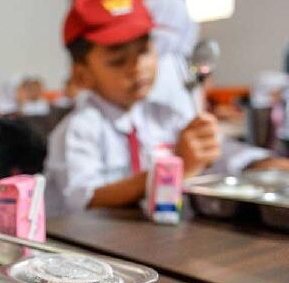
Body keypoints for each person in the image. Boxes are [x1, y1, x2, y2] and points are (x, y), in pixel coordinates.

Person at [44, 0, 286, 217]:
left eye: (145, 51)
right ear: (82, 75)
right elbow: (82, 200)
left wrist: (260, 162)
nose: (138, 67)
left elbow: (215, 152)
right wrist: (174, 166)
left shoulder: (163, 116)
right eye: (118, 60)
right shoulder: (78, 130)